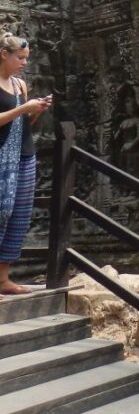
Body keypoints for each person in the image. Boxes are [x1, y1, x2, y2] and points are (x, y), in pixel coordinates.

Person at [0, 32, 51, 297]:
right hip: (1, 157)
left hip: (24, 154)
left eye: (26, 58)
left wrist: (34, 111)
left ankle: (3, 278)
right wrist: (22, 109)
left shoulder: (20, 85)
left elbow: (22, 125)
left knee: (18, 216)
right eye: (19, 58)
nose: (23, 63)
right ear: (3, 55)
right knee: (0, 212)